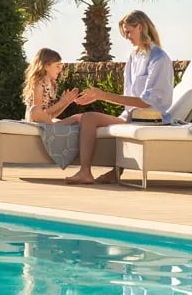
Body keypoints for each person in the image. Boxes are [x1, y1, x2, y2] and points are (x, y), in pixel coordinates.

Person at [65, 10, 174, 185]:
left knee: (90, 118)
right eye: (125, 33)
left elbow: (146, 102)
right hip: (132, 117)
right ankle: (86, 170)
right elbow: (129, 96)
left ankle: (107, 172)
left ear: (140, 27)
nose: (127, 37)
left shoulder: (159, 59)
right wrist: (97, 97)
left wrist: (103, 95)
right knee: (86, 118)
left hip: (151, 118)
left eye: (128, 32)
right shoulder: (134, 56)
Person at [22, 48, 80, 124]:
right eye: (57, 66)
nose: (60, 70)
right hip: (34, 121)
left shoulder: (52, 85)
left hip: (46, 121)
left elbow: (50, 115)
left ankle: (55, 127)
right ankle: (55, 127)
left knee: (76, 119)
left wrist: (66, 102)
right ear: (46, 66)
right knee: (35, 109)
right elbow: (37, 114)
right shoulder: (39, 85)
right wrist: (62, 102)